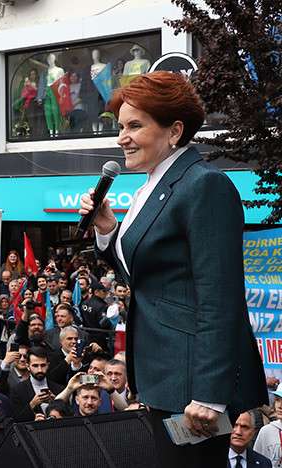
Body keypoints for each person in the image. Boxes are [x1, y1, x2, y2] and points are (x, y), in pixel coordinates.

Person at [80, 71, 266, 466]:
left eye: (134, 125)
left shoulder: (204, 185)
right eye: (120, 127)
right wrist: (108, 231)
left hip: (193, 388)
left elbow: (221, 297)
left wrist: (210, 393)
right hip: (163, 378)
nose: (121, 137)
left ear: (175, 130)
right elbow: (151, 279)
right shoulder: (154, 184)